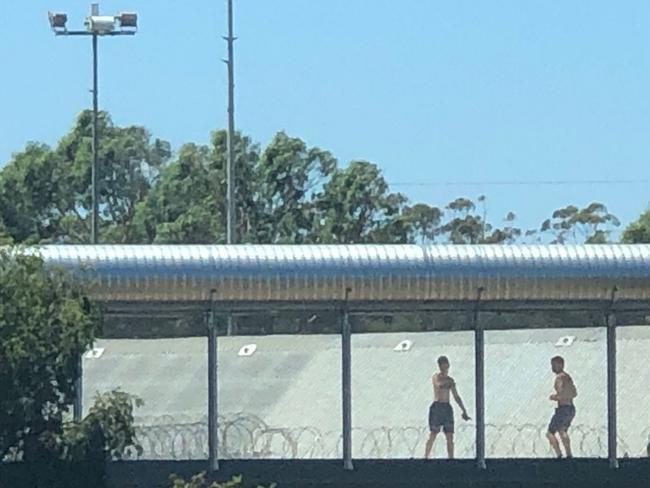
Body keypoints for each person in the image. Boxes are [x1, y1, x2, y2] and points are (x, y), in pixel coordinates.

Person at [424, 355, 470, 459]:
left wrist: (463, 410)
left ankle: (451, 458)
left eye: (446, 366)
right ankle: (426, 456)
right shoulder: (436, 377)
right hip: (437, 407)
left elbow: (456, 396)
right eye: (442, 366)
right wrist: (448, 383)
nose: (444, 369)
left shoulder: (450, 380)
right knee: (433, 433)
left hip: (447, 407)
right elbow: (439, 384)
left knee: (449, 435)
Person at [546, 355, 577, 459]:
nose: (552, 367)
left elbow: (561, 394)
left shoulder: (559, 378)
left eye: (554, 365)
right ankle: (568, 454)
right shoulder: (567, 377)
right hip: (571, 408)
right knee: (562, 430)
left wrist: (554, 397)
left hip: (563, 408)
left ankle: (559, 454)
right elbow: (574, 393)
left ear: (560, 365)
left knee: (550, 433)